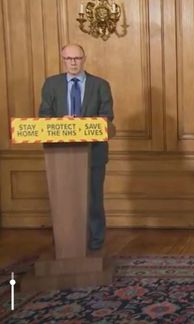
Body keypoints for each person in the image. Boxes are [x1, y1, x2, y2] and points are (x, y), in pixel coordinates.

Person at [38, 44, 114, 251]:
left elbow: (107, 116)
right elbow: (44, 116)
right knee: (64, 201)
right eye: (69, 58)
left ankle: (95, 243)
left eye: (77, 58)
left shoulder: (100, 85)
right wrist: (60, 121)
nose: (73, 62)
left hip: (93, 152)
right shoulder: (51, 84)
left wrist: (84, 124)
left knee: (93, 200)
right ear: (63, 60)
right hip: (60, 154)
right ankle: (65, 243)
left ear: (84, 59)